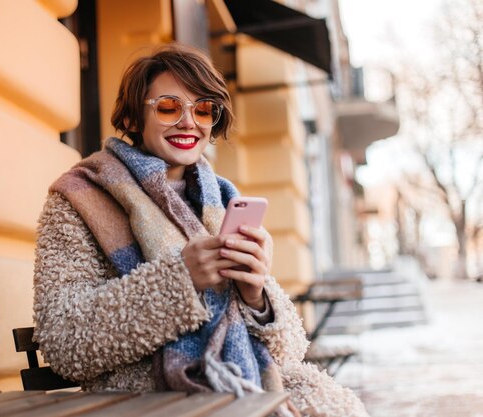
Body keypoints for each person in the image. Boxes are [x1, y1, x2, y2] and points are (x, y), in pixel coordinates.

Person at [33, 43, 369, 417]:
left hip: (243, 380)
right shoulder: (79, 198)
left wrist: (257, 297)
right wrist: (180, 280)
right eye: (168, 107)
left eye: (203, 109)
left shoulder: (222, 200)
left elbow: (289, 350)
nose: (189, 122)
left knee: (335, 407)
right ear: (131, 119)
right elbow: (63, 340)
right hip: (143, 398)